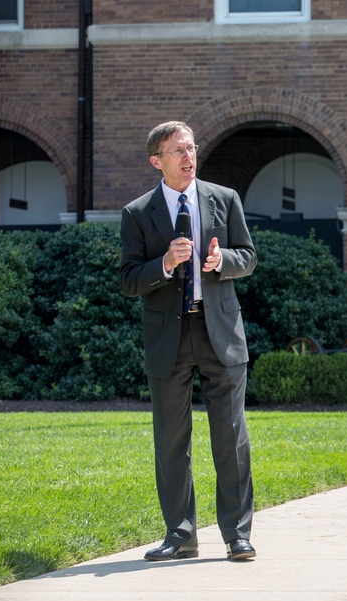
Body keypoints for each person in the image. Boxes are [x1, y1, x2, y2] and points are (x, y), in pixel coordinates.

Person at [119, 121, 258, 561]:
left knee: (230, 438)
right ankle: (180, 535)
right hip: (169, 337)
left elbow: (248, 256)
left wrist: (222, 260)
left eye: (191, 147)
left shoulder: (223, 199)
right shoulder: (137, 213)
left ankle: (237, 534)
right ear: (156, 160)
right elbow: (127, 279)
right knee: (171, 441)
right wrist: (162, 263)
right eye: (178, 150)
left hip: (219, 332)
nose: (188, 156)